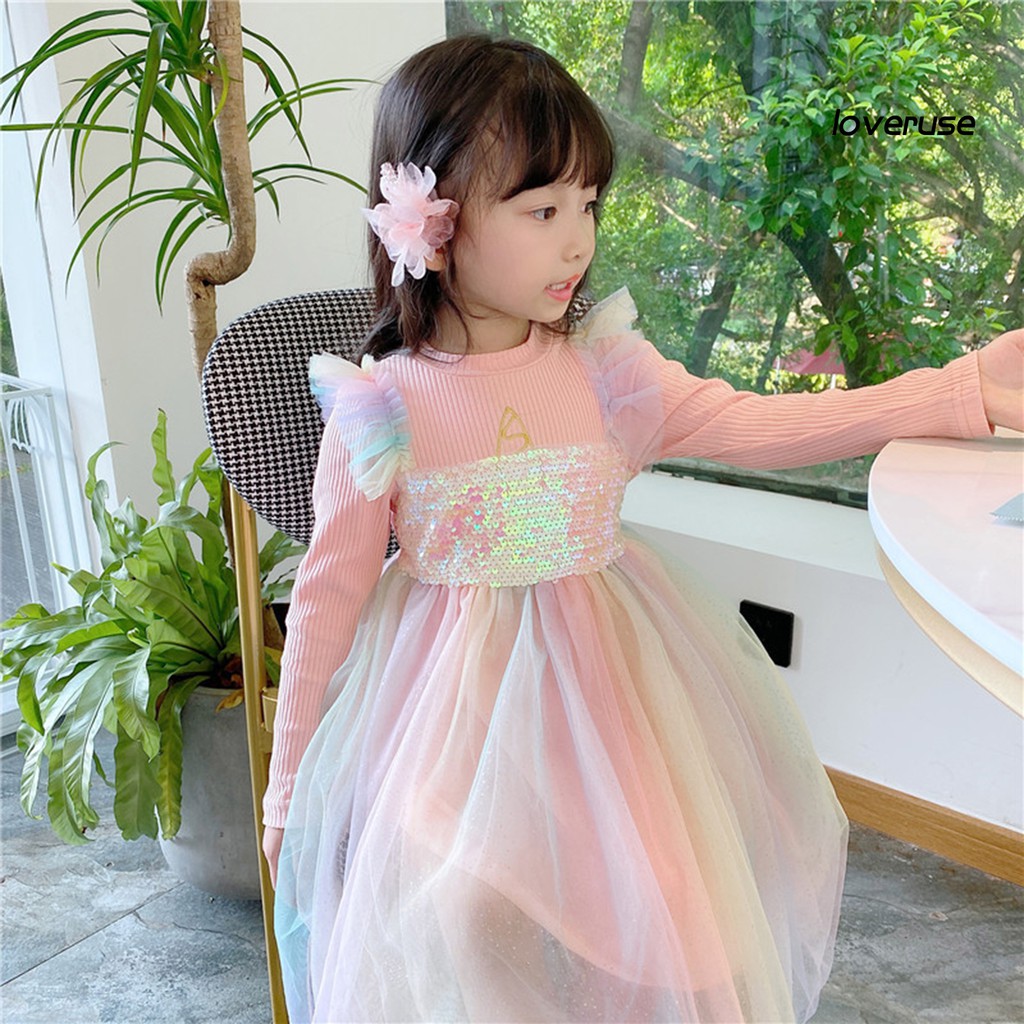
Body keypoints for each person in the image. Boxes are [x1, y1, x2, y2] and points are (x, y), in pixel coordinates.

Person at [262, 34, 1022, 1024]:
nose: (576, 241)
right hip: (447, 711)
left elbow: (762, 426)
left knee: (661, 907)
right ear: (433, 222)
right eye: (541, 210)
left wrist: (958, 390)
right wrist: (289, 788)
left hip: (605, 694)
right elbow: (328, 598)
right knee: (464, 904)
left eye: (587, 205)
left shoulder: (604, 372)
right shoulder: (383, 407)